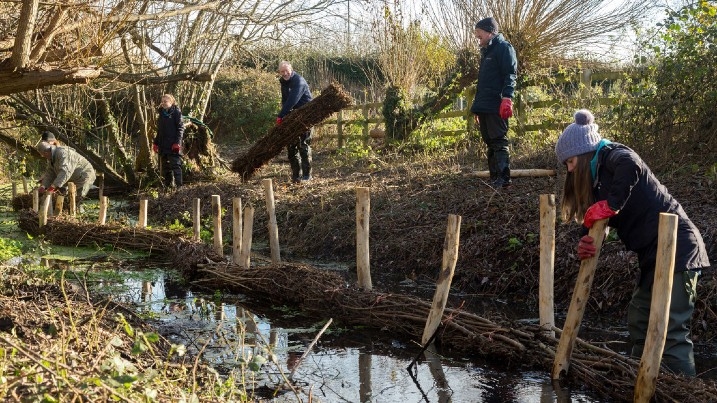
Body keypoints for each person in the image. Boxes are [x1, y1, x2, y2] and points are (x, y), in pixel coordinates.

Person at [555, 109, 710, 377]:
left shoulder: (613, 155)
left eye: (569, 162)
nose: (569, 170)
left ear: (582, 154)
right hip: (652, 255)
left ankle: (685, 391)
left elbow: (632, 165)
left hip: (679, 248)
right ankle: (641, 380)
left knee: (671, 329)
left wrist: (611, 205)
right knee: (639, 320)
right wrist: (586, 240)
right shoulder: (598, 180)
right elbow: (594, 217)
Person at [470, 17, 518, 189]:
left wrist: (507, 97)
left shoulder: (504, 48)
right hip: (485, 105)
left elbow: (510, 74)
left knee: (498, 140)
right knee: (489, 140)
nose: (477, 36)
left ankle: (504, 179)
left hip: (496, 104)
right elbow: (483, 83)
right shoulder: (486, 52)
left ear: (489, 31)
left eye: (479, 33)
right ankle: (494, 178)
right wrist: (477, 108)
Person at [276, 61, 313, 183]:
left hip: (305, 116)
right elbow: (285, 100)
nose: (285, 73)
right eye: (282, 71)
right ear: (279, 72)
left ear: (291, 69)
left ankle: (307, 175)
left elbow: (292, 100)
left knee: (303, 145)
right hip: (293, 116)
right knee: (291, 147)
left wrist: (281, 115)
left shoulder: (298, 81)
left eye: (286, 70)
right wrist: (285, 116)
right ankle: (296, 175)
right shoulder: (284, 82)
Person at [37, 141, 96, 212]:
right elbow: (50, 173)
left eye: (43, 155)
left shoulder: (64, 153)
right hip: (72, 178)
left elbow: (65, 172)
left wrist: (53, 186)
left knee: (76, 200)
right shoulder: (51, 158)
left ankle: (78, 218)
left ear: (46, 153)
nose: (43, 157)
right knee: (66, 199)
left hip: (84, 176)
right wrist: (43, 186)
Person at [153, 94, 184, 188]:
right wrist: (156, 143)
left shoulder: (176, 112)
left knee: (175, 166)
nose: (163, 103)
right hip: (163, 145)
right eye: (162, 102)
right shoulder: (162, 113)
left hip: (173, 144)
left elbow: (180, 128)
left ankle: (179, 188)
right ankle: (168, 188)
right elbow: (159, 130)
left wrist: (177, 143)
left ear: (171, 102)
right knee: (165, 168)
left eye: (165, 101)